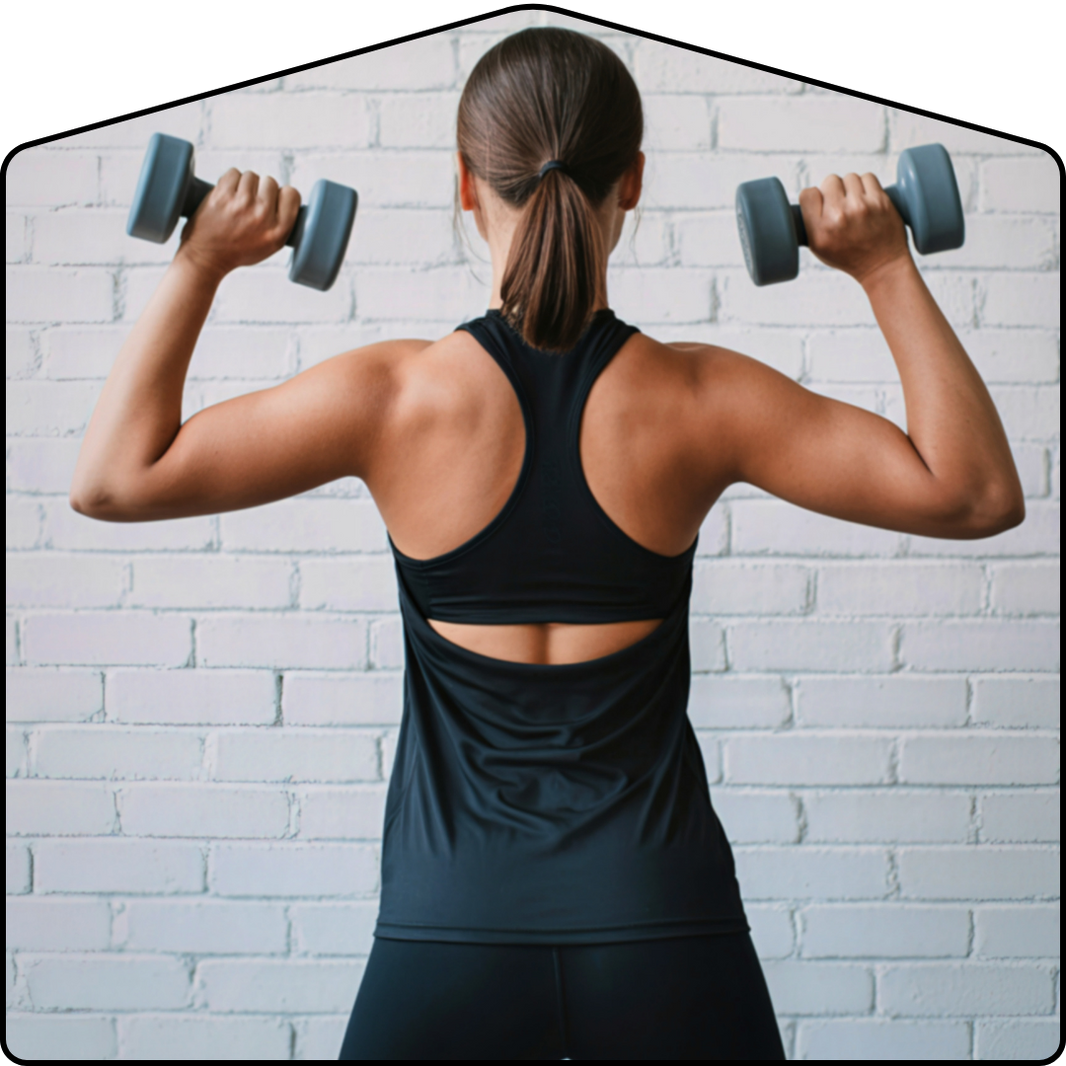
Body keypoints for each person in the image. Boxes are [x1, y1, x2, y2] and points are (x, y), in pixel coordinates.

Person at [70, 27, 1024, 1062]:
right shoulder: (702, 400)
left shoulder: (393, 399)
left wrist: (203, 259)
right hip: (662, 921)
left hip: (449, 927)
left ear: (466, 188)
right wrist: (884, 264)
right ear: (636, 182)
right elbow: (972, 493)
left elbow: (115, 479)